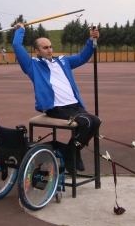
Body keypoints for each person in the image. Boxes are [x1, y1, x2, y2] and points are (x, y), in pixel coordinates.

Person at [12, 23, 101, 171]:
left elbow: (82, 57)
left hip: (75, 105)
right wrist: (20, 29)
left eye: (50, 46)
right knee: (85, 122)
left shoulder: (62, 61)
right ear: (37, 51)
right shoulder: (31, 65)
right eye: (45, 48)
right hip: (56, 108)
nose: (50, 50)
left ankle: (71, 152)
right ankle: (72, 154)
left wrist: (91, 40)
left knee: (96, 121)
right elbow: (16, 45)